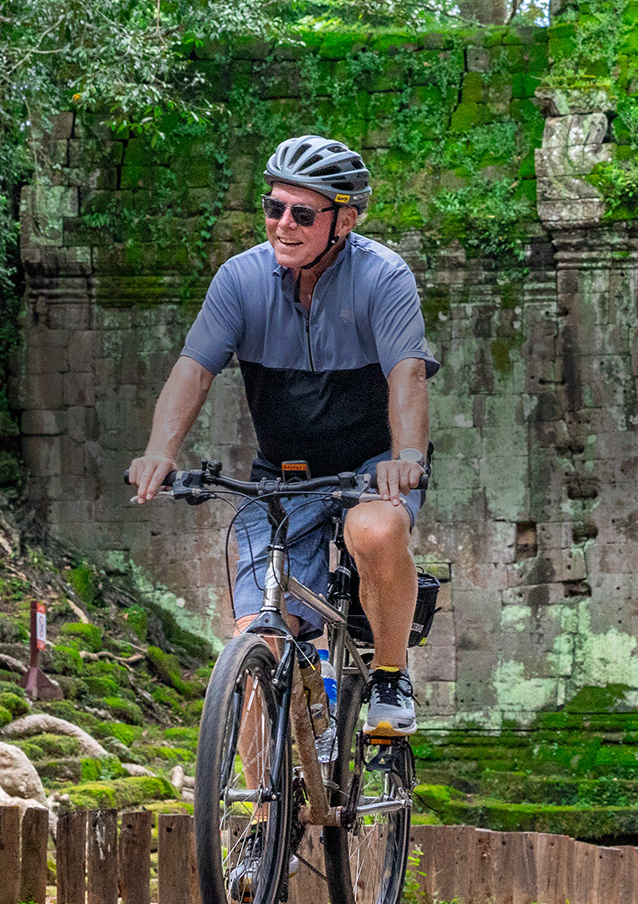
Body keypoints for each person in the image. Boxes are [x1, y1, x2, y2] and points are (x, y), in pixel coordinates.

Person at [124, 134, 436, 896]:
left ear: (346, 219)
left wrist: (403, 455)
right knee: (257, 637)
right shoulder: (240, 280)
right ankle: (264, 822)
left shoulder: (383, 277)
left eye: (302, 212)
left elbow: (406, 378)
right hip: (282, 477)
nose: (282, 223)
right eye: (273, 207)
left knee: (376, 528)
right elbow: (193, 369)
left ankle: (389, 680)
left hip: (368, 465)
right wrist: (160, 449)